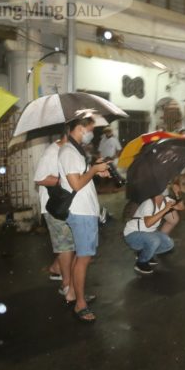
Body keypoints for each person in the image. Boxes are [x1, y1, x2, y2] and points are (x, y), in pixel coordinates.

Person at [58, 116, 111, 323]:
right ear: (80, 129)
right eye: (90, 129)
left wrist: (96, 171)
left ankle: (73, 293)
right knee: (84, 258)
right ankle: (80, 303)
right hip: (81, 212)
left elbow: (82, 178)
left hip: (85, 211)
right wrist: (93, 170)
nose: (92, 133)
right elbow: (76, 184)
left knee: (81, 256)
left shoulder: (76, 150)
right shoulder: (69, 152)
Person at [34, 134, 75, 298]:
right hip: (54, 207)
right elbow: (40, 179)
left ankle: (56, 269)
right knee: (66, 246)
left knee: (69, 244)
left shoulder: (68, 150)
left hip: (64, 204)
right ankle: (66, 286)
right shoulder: (52, 152)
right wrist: (65, 179)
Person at [124, 193, 177, 274]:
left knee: (169, 243)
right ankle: (140, 263)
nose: (167, 187)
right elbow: (148, 223)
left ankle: (144, 253)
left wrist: (177, 195)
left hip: (148, 233)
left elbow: (181, 206)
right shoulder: (148, 203)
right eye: (165, 186)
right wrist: (165, 209)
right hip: (133, 234)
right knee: (154, 240)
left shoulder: (166, 200)